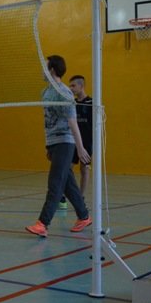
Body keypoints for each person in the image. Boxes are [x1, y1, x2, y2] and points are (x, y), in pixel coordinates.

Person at [25, 55, 92, 238]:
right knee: (68, 184)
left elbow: (72, 122)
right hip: (54, 143)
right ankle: (84, 216)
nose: (42, 70)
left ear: (52, 70)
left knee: (55, 183)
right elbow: (48, 121)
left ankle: (42, 223)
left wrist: (80, 147)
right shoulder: (45, 92)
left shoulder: (64, 93)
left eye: (45, 67)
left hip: (65, 142)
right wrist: (49, 145)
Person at [59, 74, 93, 209]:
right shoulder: (71, 103)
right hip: (72, 141)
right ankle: (62, 197)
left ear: (81, 86)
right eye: (70, 86)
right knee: (67, 169)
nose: (71, 88)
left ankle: (80, 198)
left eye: (73, 85)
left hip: (87, 142)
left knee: (84, 169)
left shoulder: (91, 103)